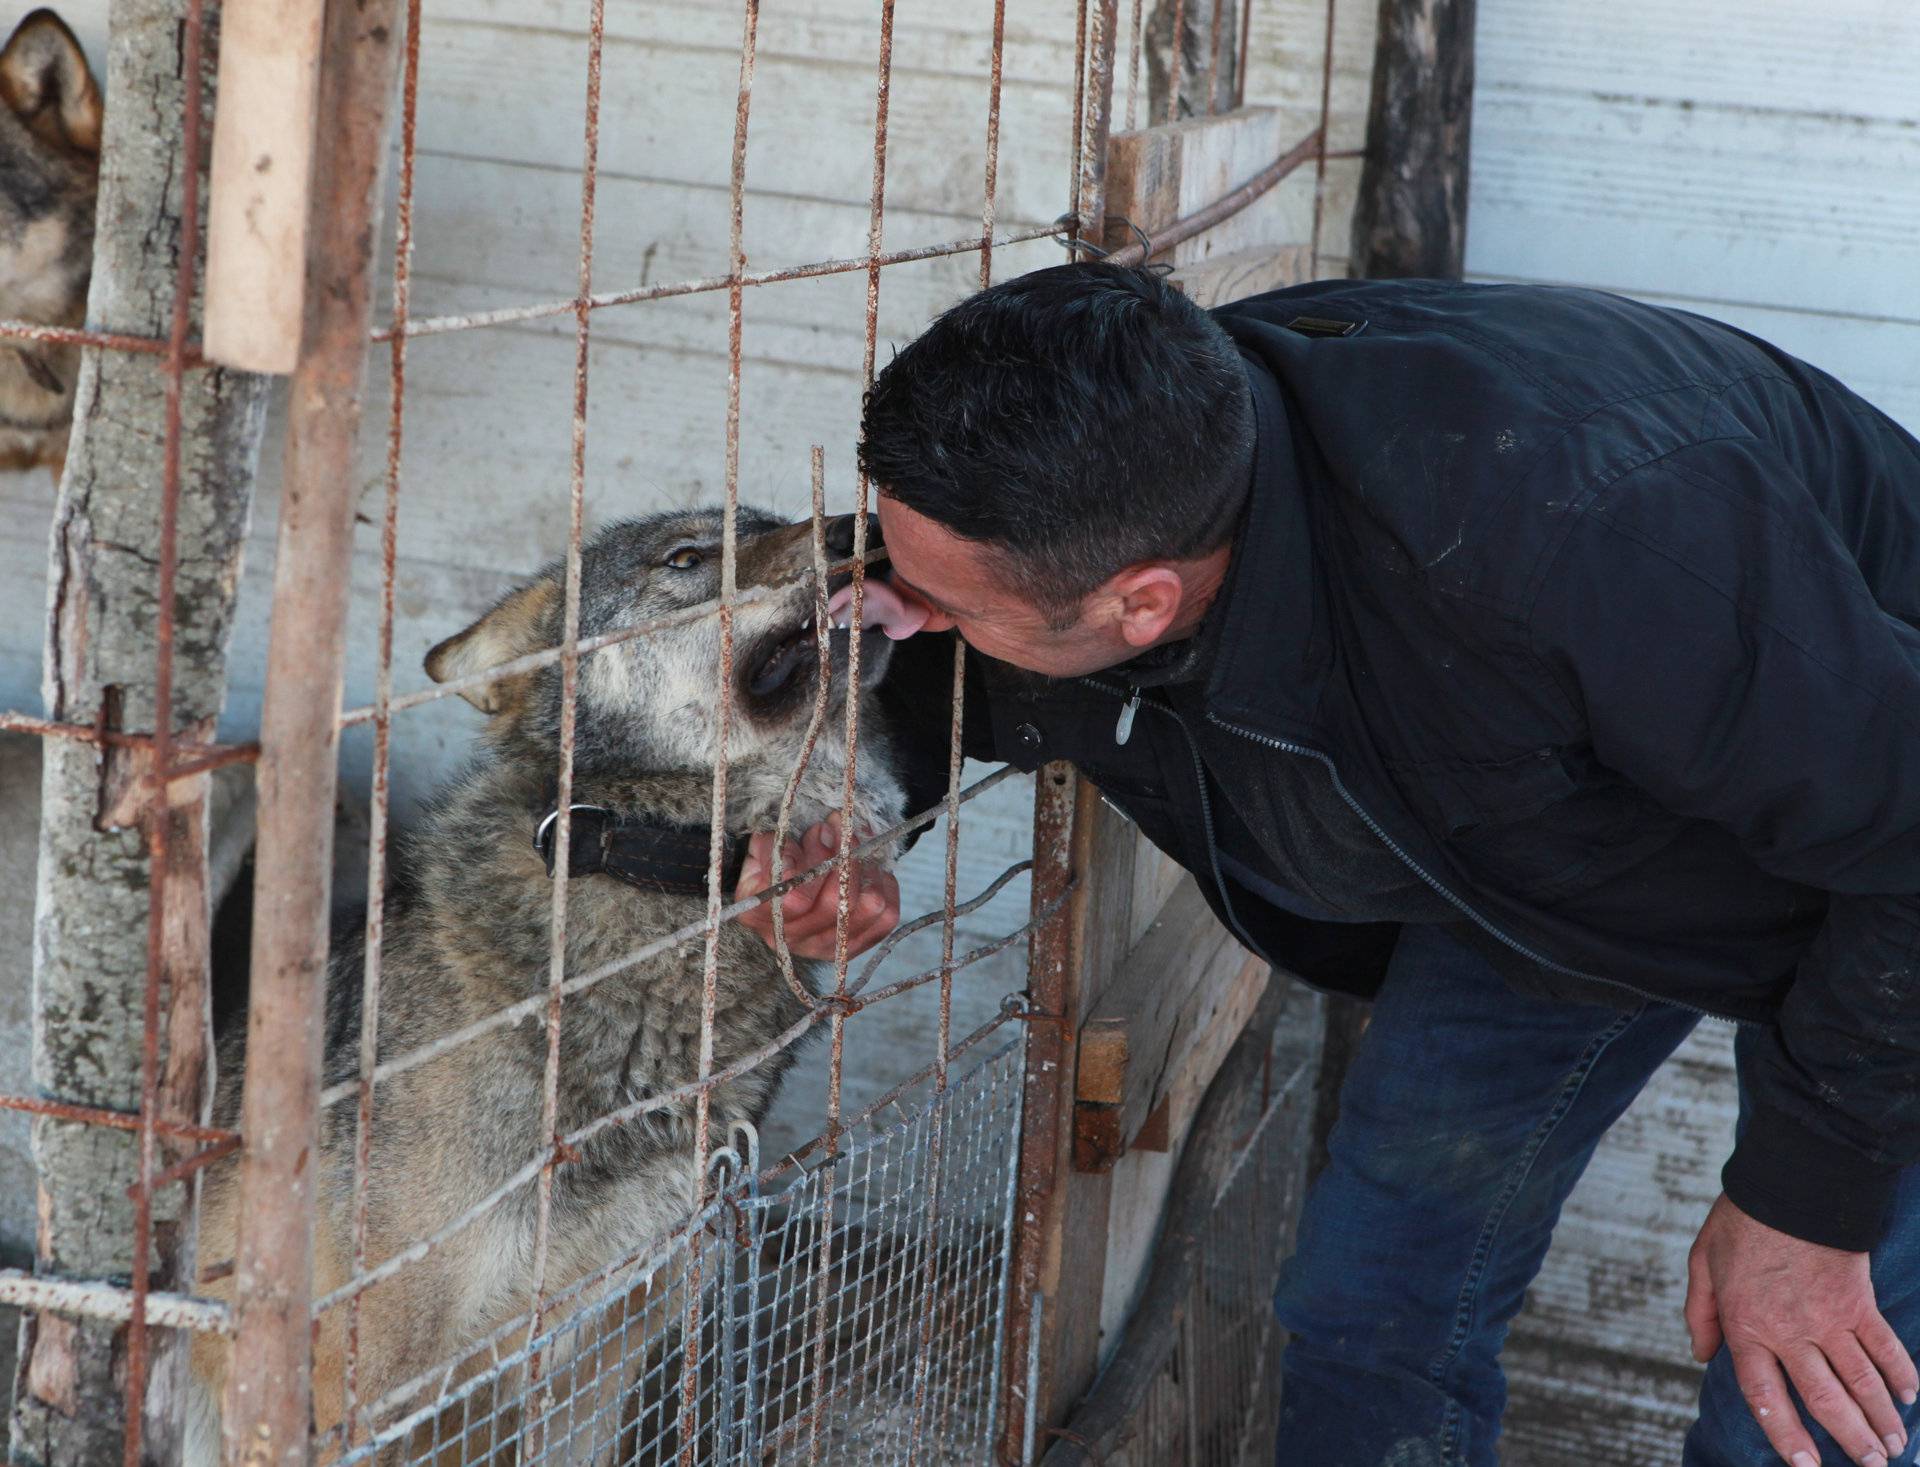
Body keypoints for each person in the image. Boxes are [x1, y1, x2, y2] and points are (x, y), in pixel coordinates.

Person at [734, 261, 1920, 1467]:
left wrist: (1808, 1204)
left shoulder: (1588, 534)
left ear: (1143, 605)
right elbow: (966, 639)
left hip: (1893, 867)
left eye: (940, 601)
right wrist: (856, 813)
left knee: (1808, 1396)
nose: (899, 613)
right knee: (1370, 1310)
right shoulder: (1143, 466)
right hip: (1553, 860)